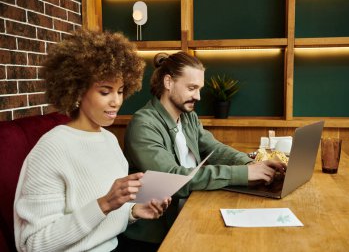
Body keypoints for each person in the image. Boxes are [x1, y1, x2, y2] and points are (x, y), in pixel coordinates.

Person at [13, 29, 171, 252]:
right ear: (77, 91)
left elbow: (104, 221)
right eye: (105, 92)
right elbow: (34, 244)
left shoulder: (109, 140)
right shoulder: (51, 148)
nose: (116, 101)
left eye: (121, 90)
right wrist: (105, 203)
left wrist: (133, 212)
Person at [122, 51, 287, 250]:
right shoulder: (144, 124)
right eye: (192, 88)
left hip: (187, 213)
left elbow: (215, 149)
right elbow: (173, 179)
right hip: (155, 235)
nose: (198, 96)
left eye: (199, 89)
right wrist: (243, 174)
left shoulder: (188, 117)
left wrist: (251, 164)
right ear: (168, 82)